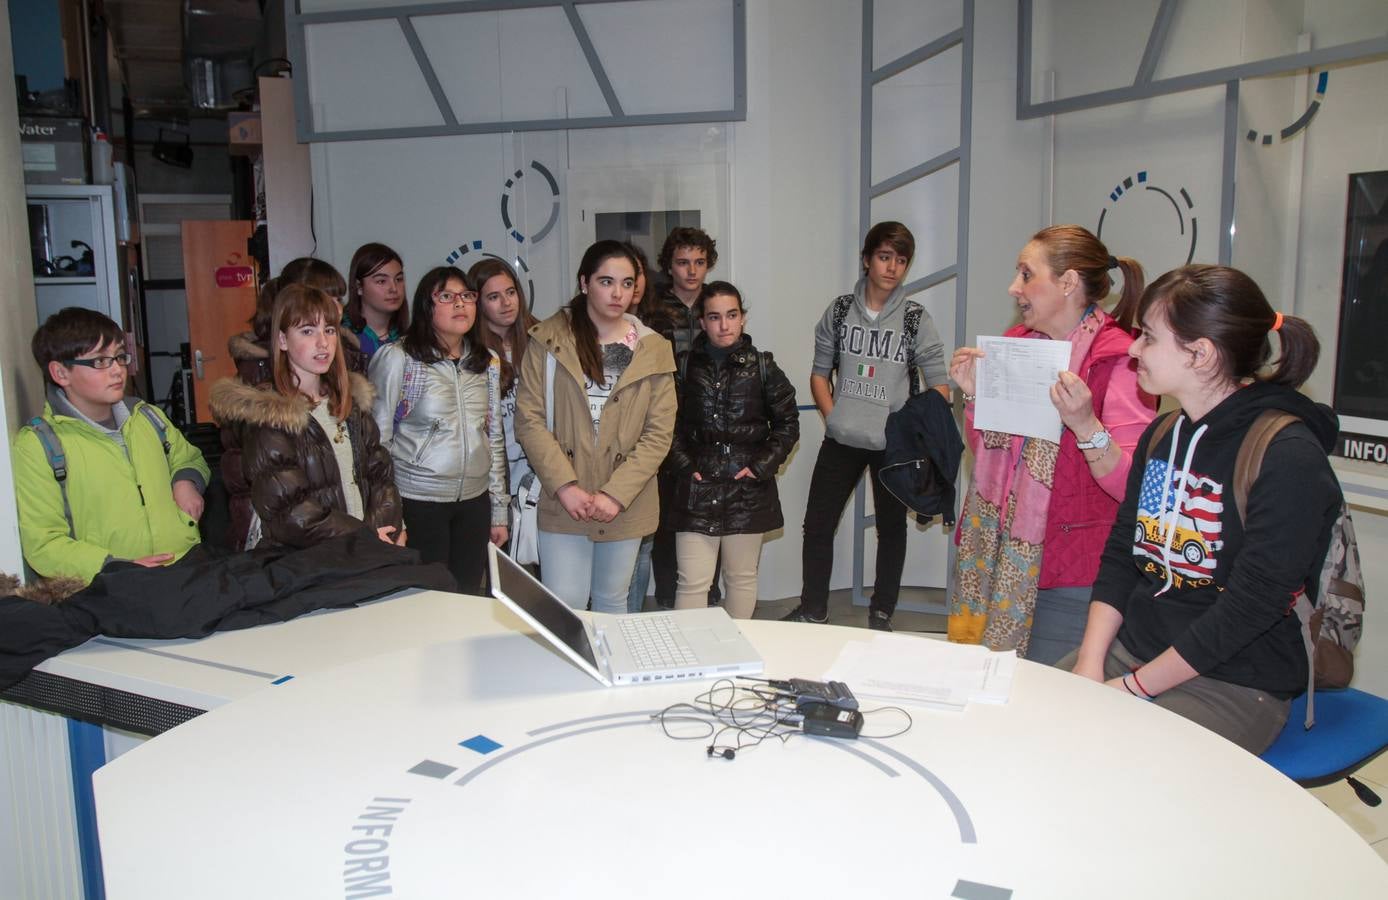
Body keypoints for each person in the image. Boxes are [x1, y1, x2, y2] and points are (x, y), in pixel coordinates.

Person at [1065, 265, 1340, 754]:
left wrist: (1132, 690)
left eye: (1147, 338)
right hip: (1134, 652)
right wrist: (1089, 664)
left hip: (1233, 681)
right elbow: (1123, 555)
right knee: (1028, 728)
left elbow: (1249, 608)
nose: (1132, 350)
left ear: (1200, 354)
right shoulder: (1163, 434)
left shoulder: (1287, 455)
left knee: (1107, 767)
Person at [947, 225, 1156, 662]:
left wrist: (1085, 425)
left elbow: (1134, 488)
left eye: (1026, 274)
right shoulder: (1018, 345)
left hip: (1073, 576)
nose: (1013, 288)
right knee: (983, 687)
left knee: (1050, 704)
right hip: (993, 558)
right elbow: (985, 450)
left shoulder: (1118, 359)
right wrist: (973, 397)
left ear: (1068, 283)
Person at [782, 221, 948, 631]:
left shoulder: (914, 319)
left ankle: (881, 612)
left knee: (892, 529)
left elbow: (940, 385)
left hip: (892, 444)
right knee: (817, 524)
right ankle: (813, 608)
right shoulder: (839, 311)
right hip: (843, 438)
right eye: (884, 256)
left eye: (901, 260)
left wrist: (912, 429)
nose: (892, 267)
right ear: (867, 259)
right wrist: (833, 416)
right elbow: (819, 374)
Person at [513, 240, 676, 613]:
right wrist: (566, 486)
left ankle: (609, 673)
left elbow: (658, 434)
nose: (617, 293)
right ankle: (566, 673)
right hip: (564, 497)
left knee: (612, 600)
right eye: (606, 281)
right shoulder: (548, 340)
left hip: (625, 499)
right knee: (565, 603)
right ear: (584, 283)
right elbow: (530, 420)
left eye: (626, 282)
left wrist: (615, 494)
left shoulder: (653, 348)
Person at [14, 308, 210, 584]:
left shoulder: (146, 417)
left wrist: (186, 482)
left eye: (119, 357)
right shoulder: (39, 445)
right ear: (60, 372)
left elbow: (189, 458)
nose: (118, 370)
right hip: (110, 585)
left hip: (185, 565)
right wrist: (117, 566)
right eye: (100, 362)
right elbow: (43, 543)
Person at [211, 285, 403, 551]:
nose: (323, 343)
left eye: (329, 330)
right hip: (309, 561)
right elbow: (289, 511)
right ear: (281, 341)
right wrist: (365, 536)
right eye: (307, 331)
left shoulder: (350, 404)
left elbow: (381, 477)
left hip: (363, 549)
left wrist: (385, 529)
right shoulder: (269, 414)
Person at [368, 267, 508, 594]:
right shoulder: (399, 358)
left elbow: (494, 437)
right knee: (426, 601)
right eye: (446, 296)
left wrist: (499, 510)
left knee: (469, 597)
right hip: (418, 501)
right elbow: (377, 443)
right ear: (426, 306)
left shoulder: (486, 361)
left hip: (474, 502)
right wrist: (388, 514)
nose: (460, 304)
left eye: (467, 296)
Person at [667, 282, 799, 618]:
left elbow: (788, 424)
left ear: (743, 318)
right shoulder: (682, 367)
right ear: (702, 322)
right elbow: (666, 425)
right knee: (692, 582)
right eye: (714, 317)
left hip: (747, 489)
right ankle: (693, 666)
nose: (724, 325)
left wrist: (759, 467)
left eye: (731, 315)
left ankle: (737, 657)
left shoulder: (764, 366)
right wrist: (685, 465)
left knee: (740, 578)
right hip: (697, 486)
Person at [636, 227, 720, 610]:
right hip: (661, 421)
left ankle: (709, 593)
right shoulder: (650, 307)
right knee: (666, 514)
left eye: (699, 262)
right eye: (683, 262)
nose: (692, 271)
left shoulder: (716, 303)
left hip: (708, 421)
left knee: (708, 513)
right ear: (668, 265)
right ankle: (669, 594)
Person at [468, 257, 541, 563]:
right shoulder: (471, 351)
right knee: (501, 570)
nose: (506, 303)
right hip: (495, 479)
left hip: (538, 474)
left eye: (510, 292)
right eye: (494, 297)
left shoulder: (541, 338)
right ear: (478, 303)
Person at [343, 243, 408, 362]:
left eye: (398, 279)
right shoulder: (341, 337)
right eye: (381, 281)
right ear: (359, 287)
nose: (393, 288)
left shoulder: (409, 337)